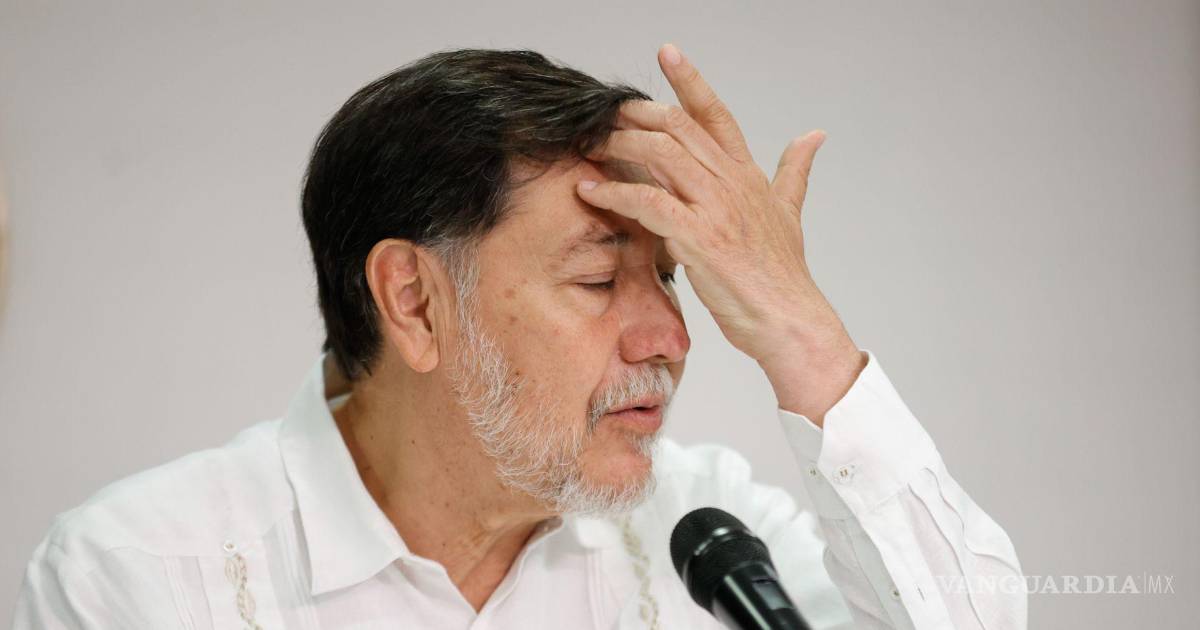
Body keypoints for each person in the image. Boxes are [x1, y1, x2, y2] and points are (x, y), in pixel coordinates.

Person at [13, 45, 1026, 629]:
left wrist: (802, 333)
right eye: (599, 278)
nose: (671, 336)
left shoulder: (707, 535)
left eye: (673, 276)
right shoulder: (140, 573)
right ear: (415, 303)